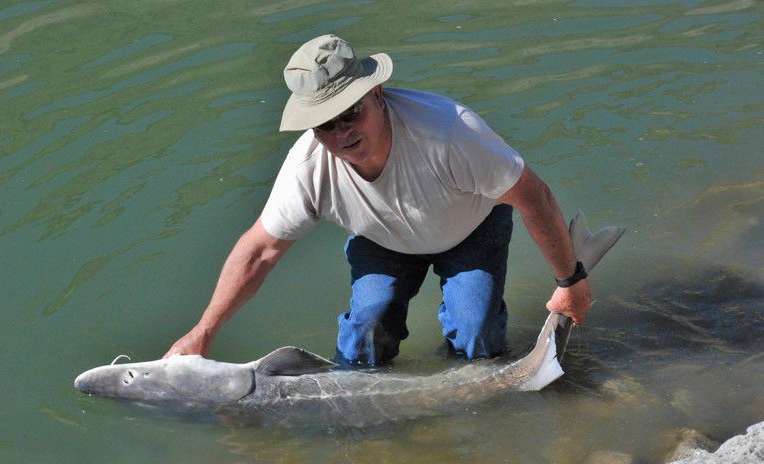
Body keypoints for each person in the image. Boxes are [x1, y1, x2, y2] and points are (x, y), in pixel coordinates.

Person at [164, 35, 592, 366]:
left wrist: (570, 281)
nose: (342, 132)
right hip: (384, 242)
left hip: (471, 229)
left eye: (351, 113)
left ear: (377, 92)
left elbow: (533, 196)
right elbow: (259, 251)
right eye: (325, 124)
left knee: (476, 334)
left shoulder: (449, 133)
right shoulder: (308, 168)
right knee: (363, 339)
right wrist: (202, 332)